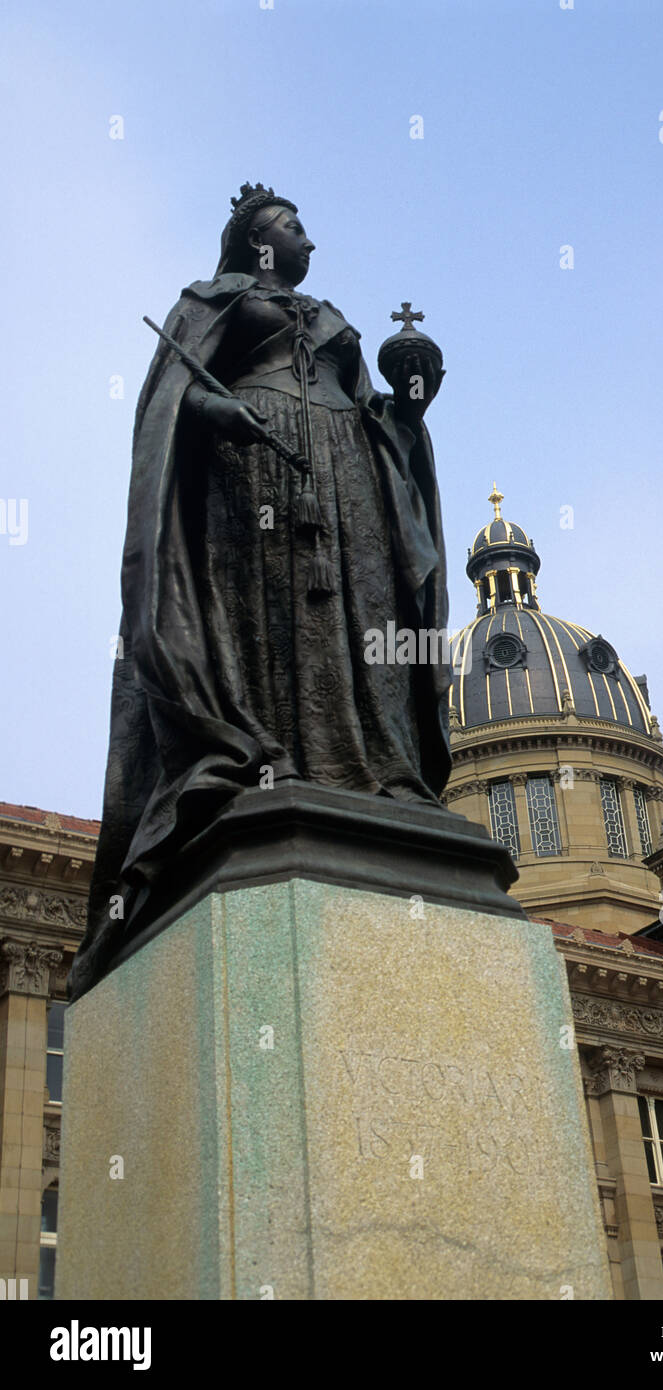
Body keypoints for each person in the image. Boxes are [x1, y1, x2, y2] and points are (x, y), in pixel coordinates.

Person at [69, 183, 450, 1000]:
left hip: (345, 473)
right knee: (273, 622)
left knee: (362, 615)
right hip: (254, 473)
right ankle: (270, 758)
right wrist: (222, 410)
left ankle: (376, 768)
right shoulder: (208, 303)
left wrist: (411, 402)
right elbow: (166, 407)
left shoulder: (327, 315)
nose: (307, 237)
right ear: (255, 241)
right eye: (291, 225)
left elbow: (375, 412)